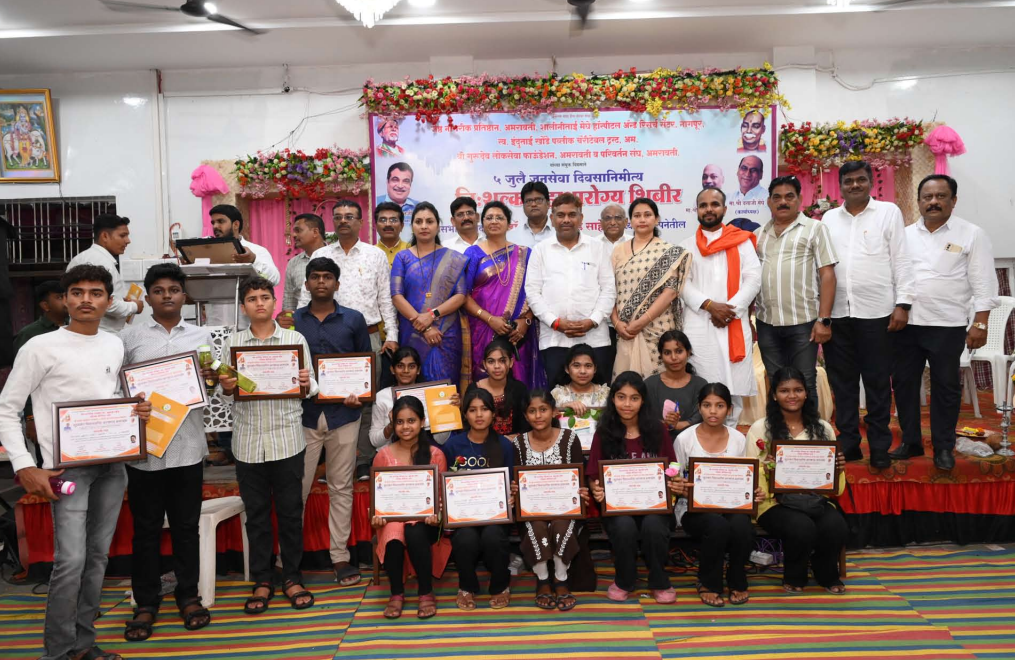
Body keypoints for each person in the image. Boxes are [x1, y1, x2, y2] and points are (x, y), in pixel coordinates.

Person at [0, 264, 152, 660]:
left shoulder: (114, 344)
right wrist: (24, 464)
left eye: (96, 293)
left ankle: (84, 644)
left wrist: (137, 409)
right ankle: (57, 651)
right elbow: (6, 408)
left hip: (112, 465)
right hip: (64, 470)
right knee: (71, 561)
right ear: (65, 299)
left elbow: (114, 397)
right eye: (78, 292)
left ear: (108, 301)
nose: (87, 299)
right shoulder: (40, 347)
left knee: (97, 558)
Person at [120, 263, 212, 641]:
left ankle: (188, 596)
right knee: (145, 530)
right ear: (148, 296)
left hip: (188, 448)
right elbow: (119, 389)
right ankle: (146, 602)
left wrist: (209, 381)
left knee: (186, 529)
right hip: (146, 452)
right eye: (158, 290)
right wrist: (134, 404)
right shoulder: (130, 337)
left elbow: (210, 383)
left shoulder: (201, 335)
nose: (167, 296)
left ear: (184, 295)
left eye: (174, 289)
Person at [220, 276, 317, 615]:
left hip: (287, 439)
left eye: (264, 297)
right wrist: (228, 386)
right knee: (257, 517)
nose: (259, 303)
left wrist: (304, 382)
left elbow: (311, 387)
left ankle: (291, 577)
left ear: (274, 302)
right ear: (243, 306)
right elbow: (227, 394)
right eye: (252, 299)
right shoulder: (233, 343)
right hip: (247, 442)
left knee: (290, 514)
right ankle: (262, 579)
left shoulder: (294, 339)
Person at [891, 175, 998, 471]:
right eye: (927, 197)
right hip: (907, 324)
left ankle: (943, 446)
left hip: (948, 325)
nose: (933, 202)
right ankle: (911, 441)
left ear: (953, 200)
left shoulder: (971, 234)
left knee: (946, 388)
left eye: (941, 196)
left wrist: (980, 324)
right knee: (904, 385)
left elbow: (984, 282)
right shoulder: (904, 235)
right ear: (918, 201)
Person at [821, 161, 916, 469]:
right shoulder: (829, 218)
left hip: (877, 313)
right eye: (848, 181)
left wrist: (903, 304)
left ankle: (878, 446)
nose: (855, 185)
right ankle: (849, 443)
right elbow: (822, 266)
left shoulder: (888, 213)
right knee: (842, 384)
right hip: (838, 313)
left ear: (871, 182)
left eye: (861, 179)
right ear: (840, 186)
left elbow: (901, 259)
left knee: (877, 383)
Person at [298, 200, 399, 477]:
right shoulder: (321, 253)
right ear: (332, 222)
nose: (343, 221)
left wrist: (391, 334)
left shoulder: (374, 255)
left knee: (364, 398)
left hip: (368, 336)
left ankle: (363, 459)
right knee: (323, 396)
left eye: (350, 216)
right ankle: (327, 459)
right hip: (323, 334)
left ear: (361, 222)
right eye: (338, 216)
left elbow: (385, 297)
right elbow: (306, 297)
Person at [294, 257, 371, 586]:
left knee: (341, 487)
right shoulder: (292, 321)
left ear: (337, 284)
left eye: (328, 277)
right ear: (307, 283)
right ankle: (289, 561)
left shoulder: (354, 319)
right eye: (315, 277)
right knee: (296, 489)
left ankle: (340, 556)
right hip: (303, 415)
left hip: (345, 414)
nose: (322, 281)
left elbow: (366, 364)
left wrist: (361, 395)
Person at [747, 367, 848, 594]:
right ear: (774, 395)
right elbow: (751, 474)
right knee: (801, 526)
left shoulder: (823, 428)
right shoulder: (760, 428)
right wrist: (768, 470)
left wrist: (839, 469)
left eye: (798, 390)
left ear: (806, 393)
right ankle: (795, 576)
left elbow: (835, 489)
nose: (792, 396)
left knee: (835, 525)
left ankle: (826, 574)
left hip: (814, 499)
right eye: (784, 390)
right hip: (773, 503)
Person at [587, 371, 680, 604]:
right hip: (618, 507)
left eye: (634, 398)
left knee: (653, 525)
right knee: (624, 526)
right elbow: (593, 474)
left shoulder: (658, 430)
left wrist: (674, 479)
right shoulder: (604, 432)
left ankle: (659, 581)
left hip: (655, 505)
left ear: (643, 400)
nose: (627, 404)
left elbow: (673, 466)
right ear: (613, 399)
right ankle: (624, 580)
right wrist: (596, 488)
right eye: (621, 397)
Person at [680, 188, 761, 426]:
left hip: (733, 322)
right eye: (703, 205)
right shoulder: (686, 246)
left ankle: (731, 437)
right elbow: (682, 284)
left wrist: (728, 310)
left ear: (724, 209)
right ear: (697, 210)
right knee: (702, 380)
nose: (709, 209)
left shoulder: (742, 242)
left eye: (714, 204)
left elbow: (753, 279)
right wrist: (709, 306)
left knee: (733, 384)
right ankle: (700, 436)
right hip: (699, 324)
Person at [672, 383, 758, 607]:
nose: (713, 411)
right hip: (692, 508)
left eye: (720, 406)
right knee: (716, 525)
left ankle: (736, 579)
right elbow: (674, 476)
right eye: (707, 405)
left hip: (731, 505)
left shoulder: (738, 439)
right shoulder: (684, 439)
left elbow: (746, 476)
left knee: (741, 524)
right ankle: (708, 582)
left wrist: (753, 491)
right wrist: (679, 486)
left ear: (729, 409)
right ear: (699, 408)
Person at [755, 176, 838, 404]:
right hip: (767, 323)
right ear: (769, 202)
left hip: (803, 323)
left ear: (799, 199)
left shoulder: (815, 229)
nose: (783, 202)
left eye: (789, 196)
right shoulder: (759, 234)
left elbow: (828, 275)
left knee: (805, 383)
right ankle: (780, 427)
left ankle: (809, 428)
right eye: (777, 197)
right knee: (776, 383)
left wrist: (824, 320)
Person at [526, 192, 616, 388]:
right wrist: (555, 322)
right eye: (560, 215)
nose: (566, 220)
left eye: (572, 215)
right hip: (554, 340)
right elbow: (532, 293)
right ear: (552, 219)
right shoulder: (541, 250)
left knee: (599, 398)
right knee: (557, 399)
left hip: (595, 339)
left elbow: (609, 290)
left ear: (581, 218)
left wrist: (592, 321)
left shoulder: (597, 248)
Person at [371, 395, 447, 620]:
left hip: (427, 523)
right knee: (393, 532)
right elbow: (377, 500)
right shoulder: (383, 456)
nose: (405, 427)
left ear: (422, 422)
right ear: (393, 424)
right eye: (400, 422)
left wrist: (437, 514)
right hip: (392, 520)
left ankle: (425, 591)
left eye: (411, 421)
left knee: (414, 530)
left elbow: (441, 498)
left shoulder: (435, 455)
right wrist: (376, 516)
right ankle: (396, 593)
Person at [511, 389, 587, 611]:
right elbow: (517, 480)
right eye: (532, 411)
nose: (538, 416)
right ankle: (543, 579)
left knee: (562, 525)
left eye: (543, 409)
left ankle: (561, 579)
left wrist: (581, 490)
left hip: (565, 508)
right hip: (532, 510)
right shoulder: (519, 444)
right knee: (536, 526)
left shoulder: (570, 439)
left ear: (554, 411)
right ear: (525, 416)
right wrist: (515, 488)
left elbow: (578, 476)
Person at [442, 387, 515, 610]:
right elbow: (446, 482)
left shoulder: (504, 445)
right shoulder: (452, 446)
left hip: (496, 515)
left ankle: (500, 586)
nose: (479, 415)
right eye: (472, 410)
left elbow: (512, 482)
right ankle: (467, 586)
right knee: (465, 538)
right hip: (464, 515)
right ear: (465, 414)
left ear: (493, 414)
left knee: (493, 536)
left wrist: (513, 493)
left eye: (484, 409)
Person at [462, 201, 542, 388]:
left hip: (517, 333)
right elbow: (463, 295)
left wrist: (526, 321)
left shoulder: (524, 254)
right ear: (482, 223)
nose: (494, 221)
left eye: (499, 217)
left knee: (519, 382)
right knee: (483, 381)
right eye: (489, 218)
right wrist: (490, 319)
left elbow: (536, 292)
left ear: (509, 224)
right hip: (482, 328)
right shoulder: (473, 253)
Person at [391, 202, 470, 389]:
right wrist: (424, 326)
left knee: (445, 390)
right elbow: (396, 296)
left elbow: (461, 296)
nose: (424, 226)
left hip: (445, 333)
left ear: (438, 226)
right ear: (412, 226)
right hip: (412, 331)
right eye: (418, 221)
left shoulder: (453, 258)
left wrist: (432, 315)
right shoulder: (402, 257)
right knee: (413, 387)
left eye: (429, 221)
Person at [611, 197, 691, 379]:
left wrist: (641, 322)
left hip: (658, 328)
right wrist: (616, 323)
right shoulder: (618, 251)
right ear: (630, 221)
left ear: (657, 219)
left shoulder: (668, 251)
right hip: (625, 330)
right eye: (637, 215)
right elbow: (610, 291)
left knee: (659, 382)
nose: (642, 219)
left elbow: (670, 292)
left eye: (647, 215)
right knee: (628, 383)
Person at [13, 280, 66, 462]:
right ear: (45, 305)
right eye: (59, 297)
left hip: (70, 414)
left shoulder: (76, 329)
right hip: (42, 414)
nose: (66, 301)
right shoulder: (30, 334)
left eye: (67, 295)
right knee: (47, 465)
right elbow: (22, 380)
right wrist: (30, 417)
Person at [204, 204, 281, 329]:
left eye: (220, 221)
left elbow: (274, 279)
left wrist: (253, 260)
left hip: (247, 325)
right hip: (215, 324)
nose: (215, 226)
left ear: (235, 224)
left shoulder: (257, 250)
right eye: (213, 222)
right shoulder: (206, 251)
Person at [66, 214, 142, 333]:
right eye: (122, 235)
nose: (128, 241)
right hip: (99, 333)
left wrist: (121, 300)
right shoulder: (101, 262)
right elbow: (107, 304)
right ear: (105, 236)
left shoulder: (82, 257)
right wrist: (135, 306)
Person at [645, 330, 708, 440]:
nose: (674, 357)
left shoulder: (701, 385)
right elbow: (644, 418)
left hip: (693, 443)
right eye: (667, 353)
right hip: (656, 443)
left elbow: (701, 419)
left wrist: (674, 425)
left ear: (688, 352)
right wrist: (666, 424)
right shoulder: (650, 384)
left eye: (679, 351)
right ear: (661, 356)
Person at [278, 213, 328, 329]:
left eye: (298, 230)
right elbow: (289, 301)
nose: (293, 235)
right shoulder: (293, 263)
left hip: (334, 324)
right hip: (303, 327)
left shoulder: (336, 257)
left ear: (315, 232)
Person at [475, 338, 531, 437]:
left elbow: (526, 424)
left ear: (511, 362)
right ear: (484, 364)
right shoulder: (475, 389)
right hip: (483, 442)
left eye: (502, 361)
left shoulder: (519, 389)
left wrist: (514, 438)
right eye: (491, 362)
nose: (497, 366)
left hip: (512, 442)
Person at [551, 343, 610, 414]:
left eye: (588, 366)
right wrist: (563, 408)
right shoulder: (557, 394)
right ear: (567, 369)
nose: (583, 371)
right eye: (576, 365)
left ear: (595, 369)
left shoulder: (606, 393)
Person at [507, 181, 555, 248]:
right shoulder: (510, 237)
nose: (533, 204)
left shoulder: (559, 233)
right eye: (529, 201)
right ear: (523, 205)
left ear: (548, 203)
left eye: (538, 200)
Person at [375, 201, 411, 266]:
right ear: (376, 226)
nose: (388, 224)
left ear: (402, 226)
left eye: (393, 220)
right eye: (383, 220)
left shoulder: (412, 251)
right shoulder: (369, 253)